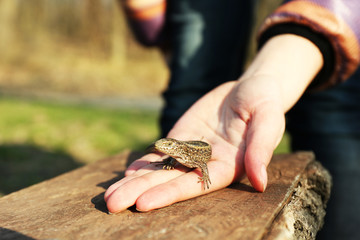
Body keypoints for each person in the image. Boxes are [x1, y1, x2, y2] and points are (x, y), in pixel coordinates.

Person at [107, 0, 360, 239]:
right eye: (165, 146)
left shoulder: (191, 154)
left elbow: (202, 165)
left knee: (331, 109)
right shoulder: (177, 152)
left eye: (168, 147)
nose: (164, 148)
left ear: (175, 146)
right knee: (192, 86)